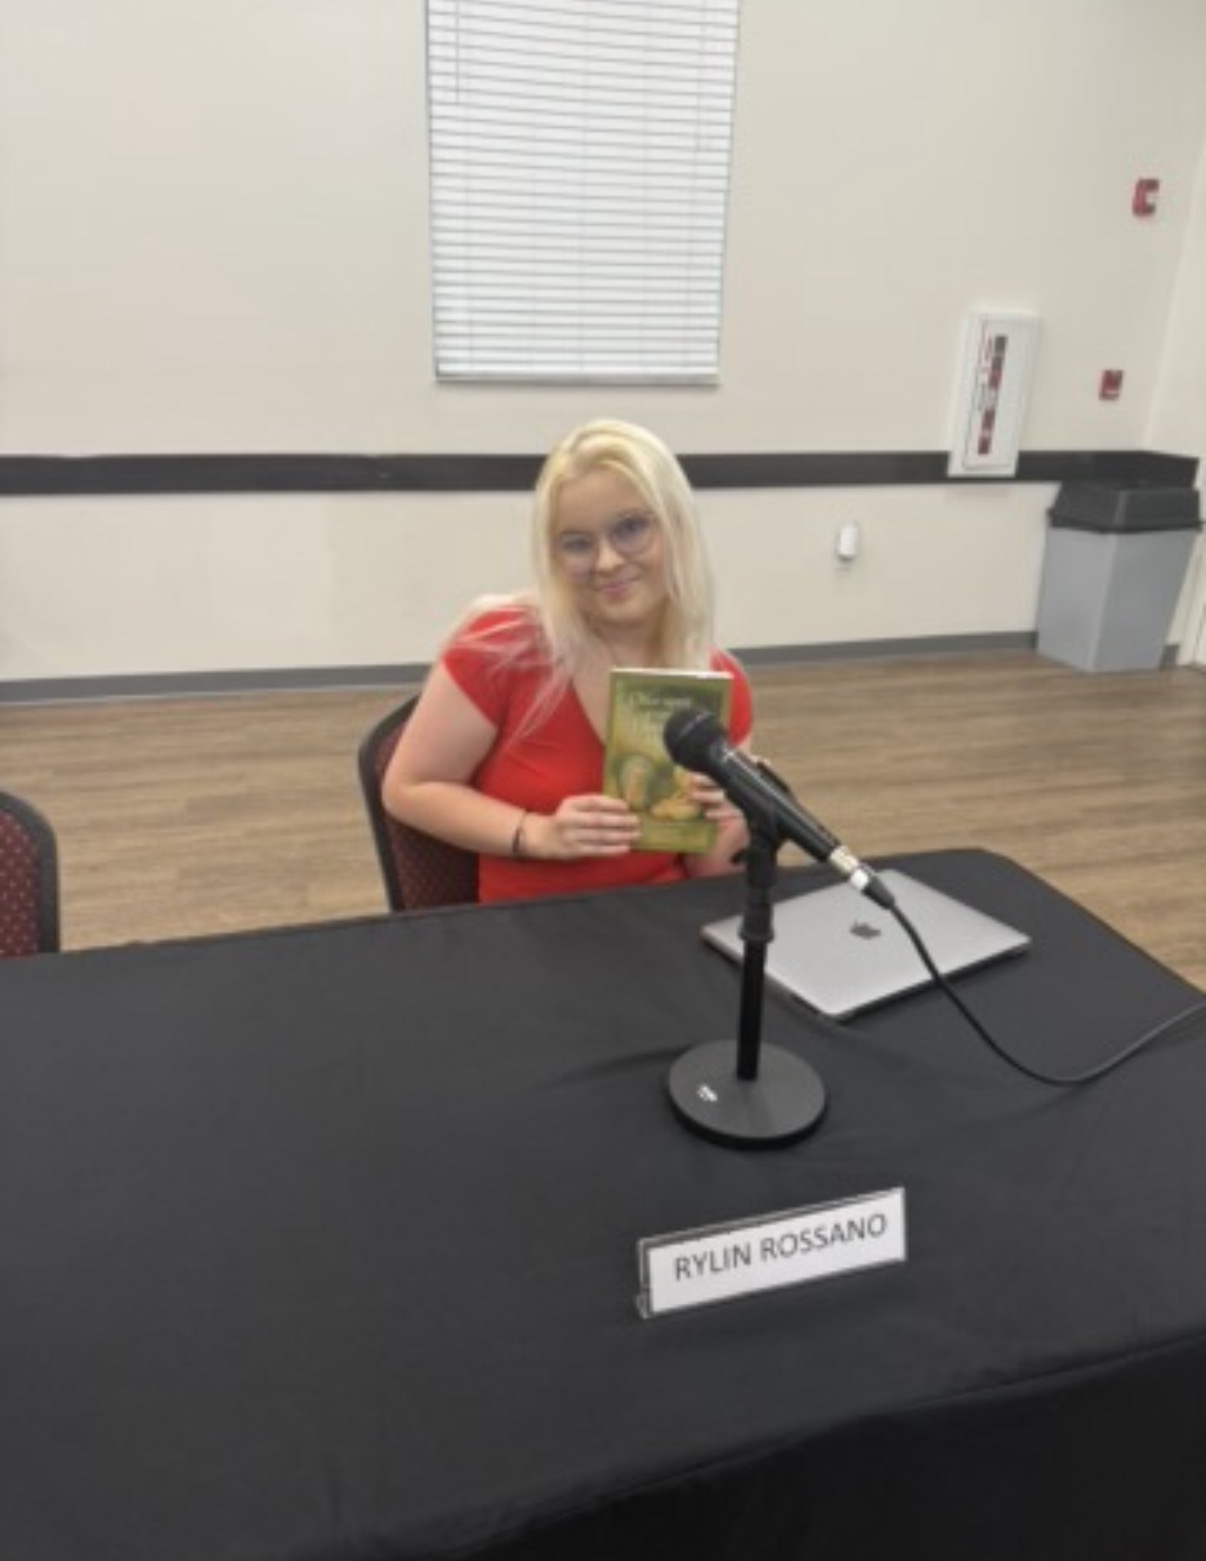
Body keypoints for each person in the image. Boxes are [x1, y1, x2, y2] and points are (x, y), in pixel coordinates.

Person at [382, 419, 754, 902]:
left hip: (660, 920)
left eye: (631, 528)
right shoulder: (503, 648)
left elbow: (710, 875)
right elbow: (409, 786)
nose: (606, 562)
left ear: (677, 525)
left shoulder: (718, 680)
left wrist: (736, 811)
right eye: (578, 543)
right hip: (532, 926)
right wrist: (536, 834)